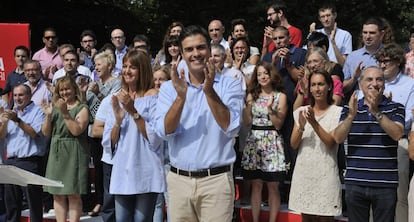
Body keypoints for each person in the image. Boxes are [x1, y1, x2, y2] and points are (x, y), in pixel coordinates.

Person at [154, 25, 245, 221]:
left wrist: (209, 90)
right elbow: (163, 131)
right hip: (179, 182)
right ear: (182, 53)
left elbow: (232, 127)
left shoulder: (230, 84)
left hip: (216, 181)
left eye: (200, 47)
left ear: (210, 49)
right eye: (189, 49)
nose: (196, 54)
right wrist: (181, 97)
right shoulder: (170, 88)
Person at [332, 67, 405, 222]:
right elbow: (338, 138)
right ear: (360, 84)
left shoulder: (396, 108)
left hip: (385, 184)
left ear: (384, 84)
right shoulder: (349, 108)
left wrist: (376, 112)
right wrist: (351, 116)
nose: (375, 83)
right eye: (369, 79)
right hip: (356, 183)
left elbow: (397, 134)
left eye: (379, 79)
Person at [102, 50, 164, 222]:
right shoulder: (117, 98)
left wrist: (133, 112)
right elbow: (109, 141)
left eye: (133, 67)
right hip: (123, 167)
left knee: (141, 220)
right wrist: (117, 121)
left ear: (142, 70)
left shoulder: (154, 97)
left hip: (146, 167)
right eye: (125, 66)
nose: (127, 71)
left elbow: (155, 137)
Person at [289, 70, 342, 222]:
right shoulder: (301, 111)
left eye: (321, 84)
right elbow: (293, 144)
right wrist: (301, 126)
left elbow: (331, 142)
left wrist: (313, 122)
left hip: (326, 173)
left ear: (329, 87)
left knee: (326, 218)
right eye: (313, 85)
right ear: (309, 89)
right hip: (304, 172)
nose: (317, 89)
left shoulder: (338, 112)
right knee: (306, 217)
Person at [241, 61, 287, 222]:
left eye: (265, 73)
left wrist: (269, 109)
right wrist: (247, 106)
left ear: (271, 75)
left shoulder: (280, 96)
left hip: (272, 140)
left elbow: (278, 124)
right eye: (259, 74)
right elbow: (246, 122)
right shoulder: (251, 95)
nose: (262, 77)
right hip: (254, 141)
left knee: (272, 185)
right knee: (256, 184)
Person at [374, 43, 414, 222]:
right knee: (371, 193)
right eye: (380, 61)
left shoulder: (410, 84)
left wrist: (388, 112)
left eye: (386, 61)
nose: (382, 65)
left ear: (397, 61)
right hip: (373, 140)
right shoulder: (371, 81)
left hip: (399, 142)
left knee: (399, 196)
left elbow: (409, 117)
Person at [41, 76, 90, 222]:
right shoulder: (54, 107)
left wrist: (65, 113)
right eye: (61, 90)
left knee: (73, 193)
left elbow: (76, 130)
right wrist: (48, 116)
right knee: (57, 193)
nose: (64, 92)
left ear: (74, 89)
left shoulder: (82, 108)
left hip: (74, 151)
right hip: (57, 151)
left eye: (67, 89)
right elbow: (45, 132)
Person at [0, 84, 46, 222]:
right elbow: (2, 136)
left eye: (21, 95)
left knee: (33, 203)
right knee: (12, 204)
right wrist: (4, 122)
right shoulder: (11, 112)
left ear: (29, 95)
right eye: (15, 95)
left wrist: (17, 120)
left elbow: (34, 134)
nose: (17, 98)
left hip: (29, 162)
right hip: (11, 161)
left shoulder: (38, 111)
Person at [86, 51, 122, 217]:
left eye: (99, 64)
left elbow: (111, 106)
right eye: (95, 64)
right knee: (99, 170)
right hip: (94, 130)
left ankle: (109, 205)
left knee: (109, 170)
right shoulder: (94, 83)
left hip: (110, 130)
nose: (96, 67)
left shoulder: (116, 83)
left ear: (110, 66)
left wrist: (97, 93)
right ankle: (100, 201)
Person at [342, 17, 384, 98]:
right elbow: (342, 89)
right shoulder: (353, 57)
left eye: (372, 33)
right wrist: (354, 79)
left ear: (381, 34)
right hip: (358, 106)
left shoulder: (389, 56)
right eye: (365, 32)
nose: (367, 36)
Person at [152, 65, 171, 222]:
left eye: (162, 79)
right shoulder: (148, 99)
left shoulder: (174, 101)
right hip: (153, 158)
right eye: (155, 79)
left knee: (171, 201)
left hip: (170, 159)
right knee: (157, 203)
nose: (158, 83)